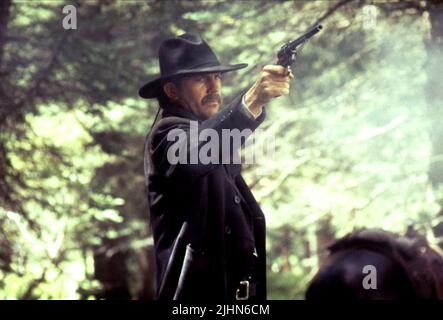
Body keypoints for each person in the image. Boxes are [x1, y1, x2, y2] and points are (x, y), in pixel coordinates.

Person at [139, 33, 293, 300]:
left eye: (217, 77)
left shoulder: (209, 136)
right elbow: (197, 153)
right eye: (201, 78)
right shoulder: (165, 134)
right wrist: (253, 99)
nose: (214, 87)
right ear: (172, 91)